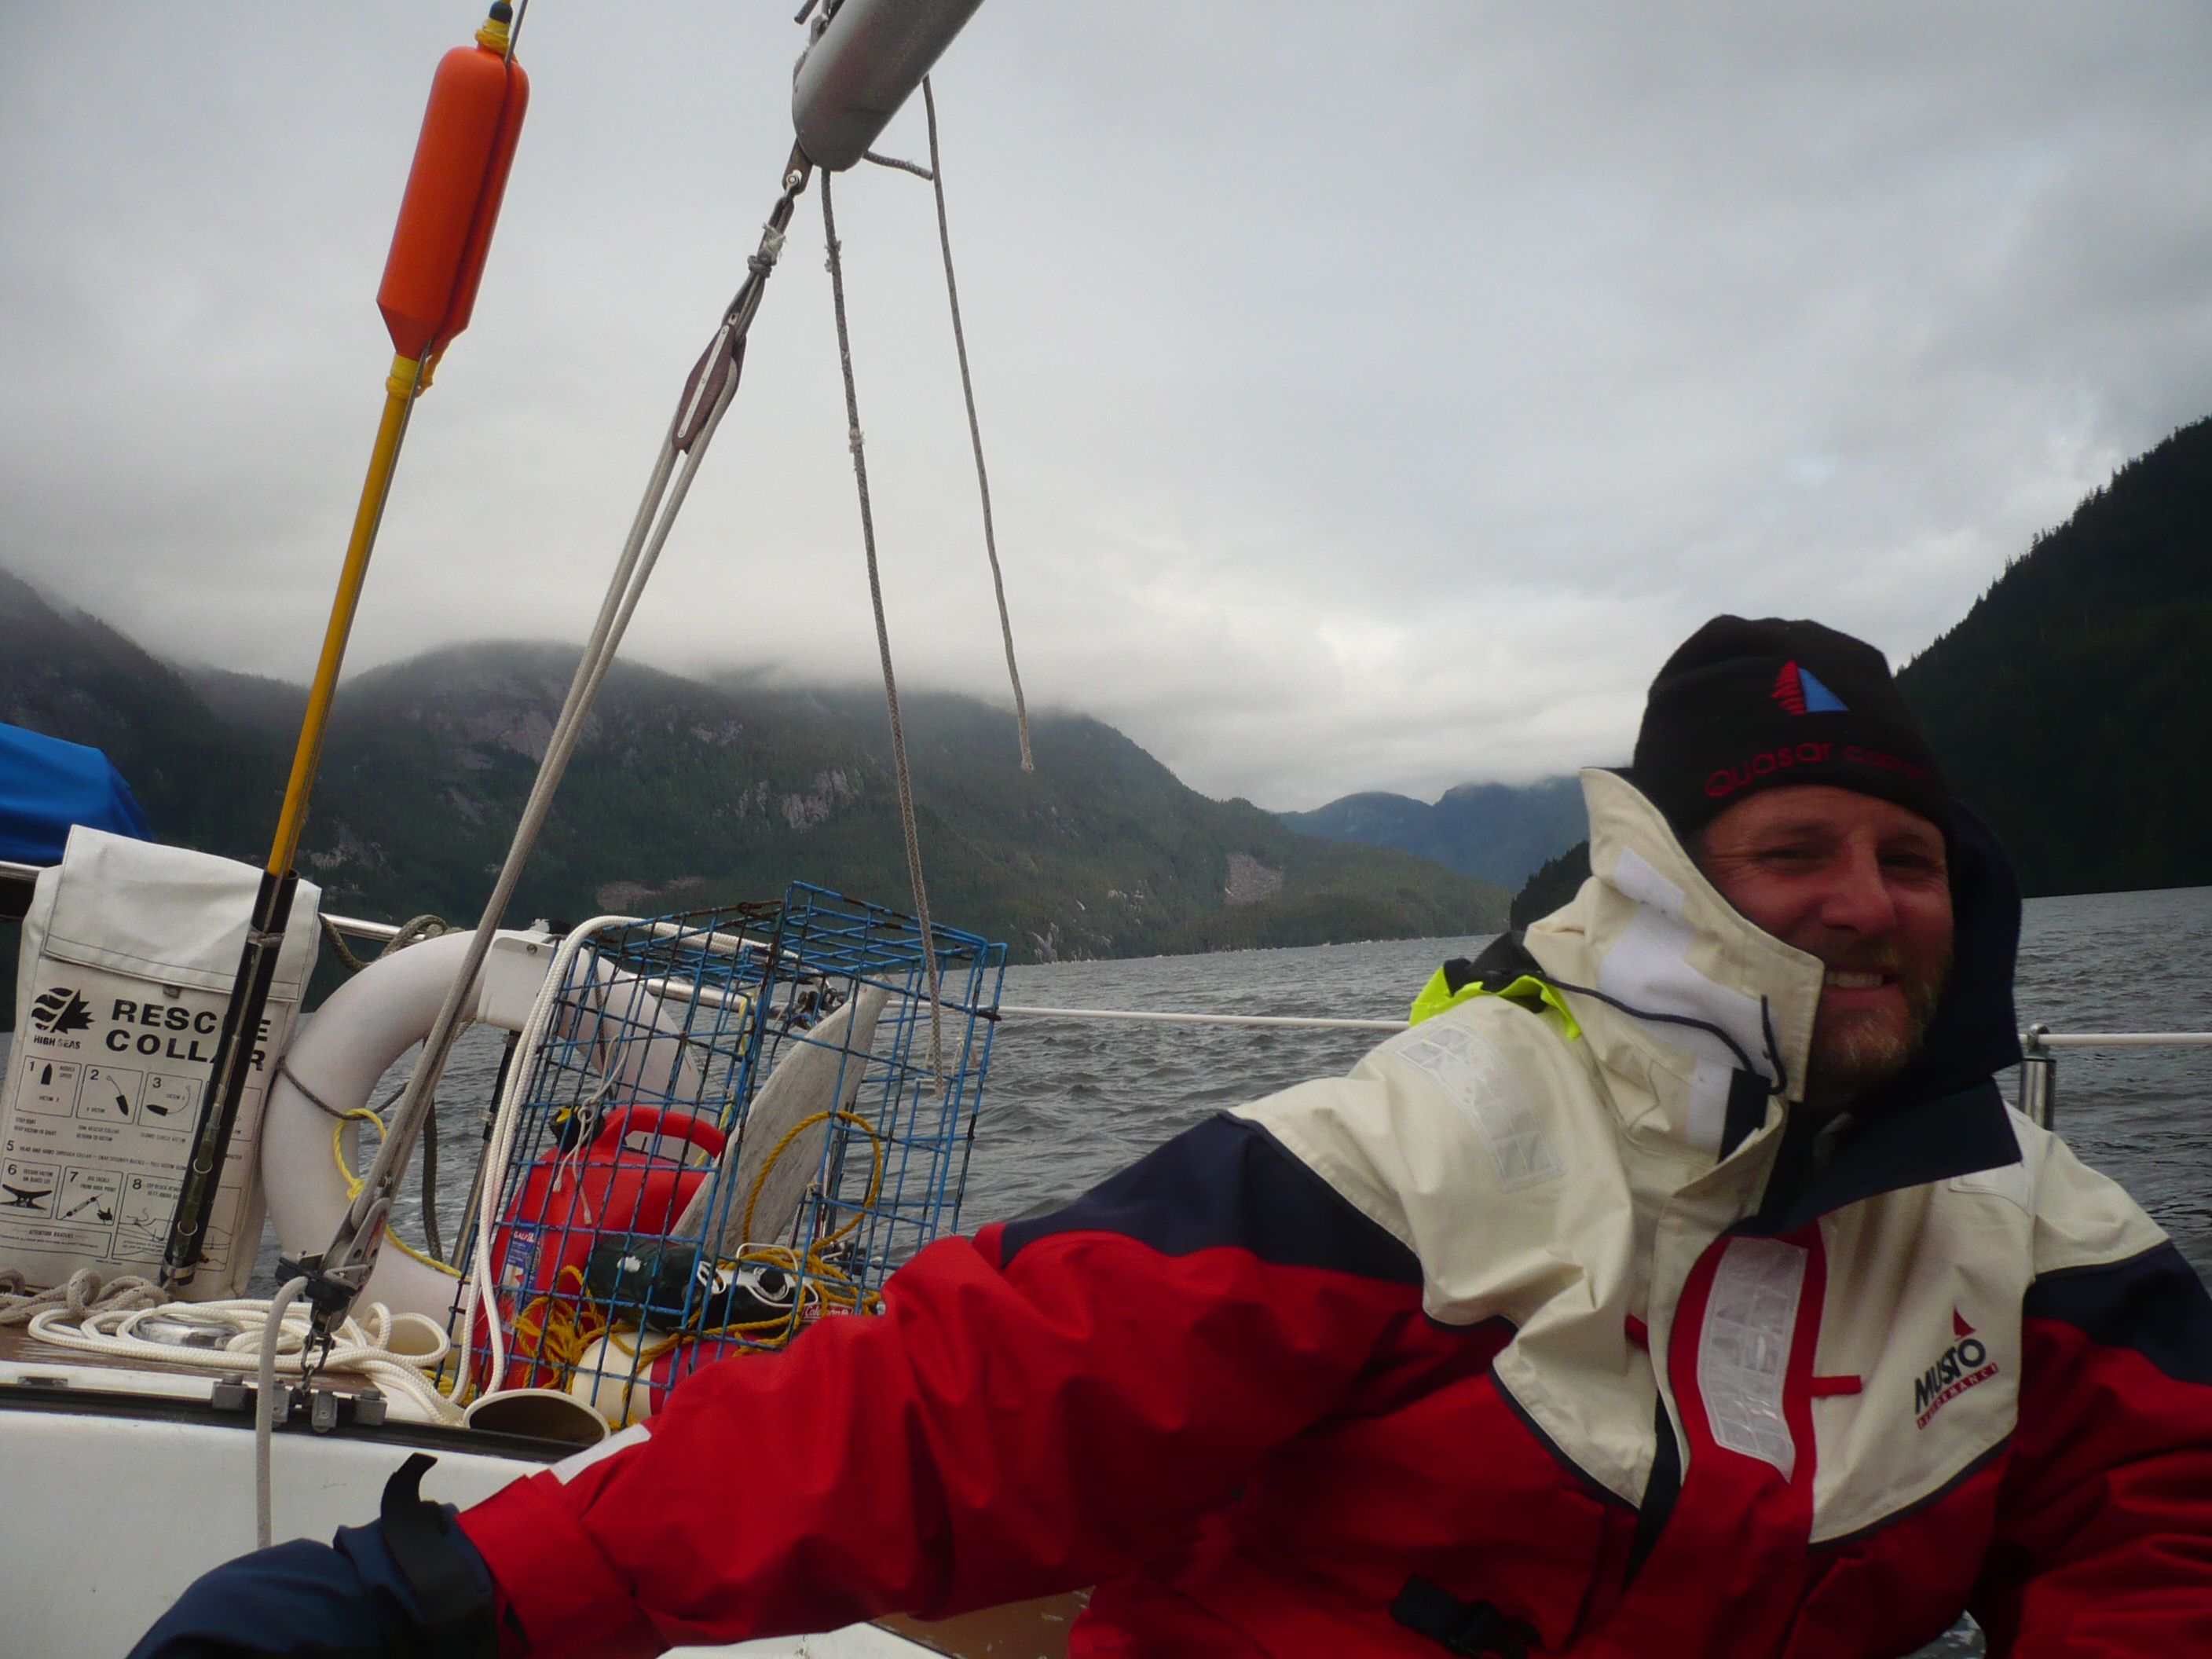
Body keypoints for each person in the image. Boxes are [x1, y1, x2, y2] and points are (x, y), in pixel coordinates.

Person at [134, 617, 2212, 1658]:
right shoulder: (1417, 1157)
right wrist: (458, 1590)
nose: (1864, 899)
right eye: (1795, 849)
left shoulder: (2052, 1246)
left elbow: (2164, 1546)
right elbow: (955, 1411)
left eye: (1906, 858)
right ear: (1672, 882)